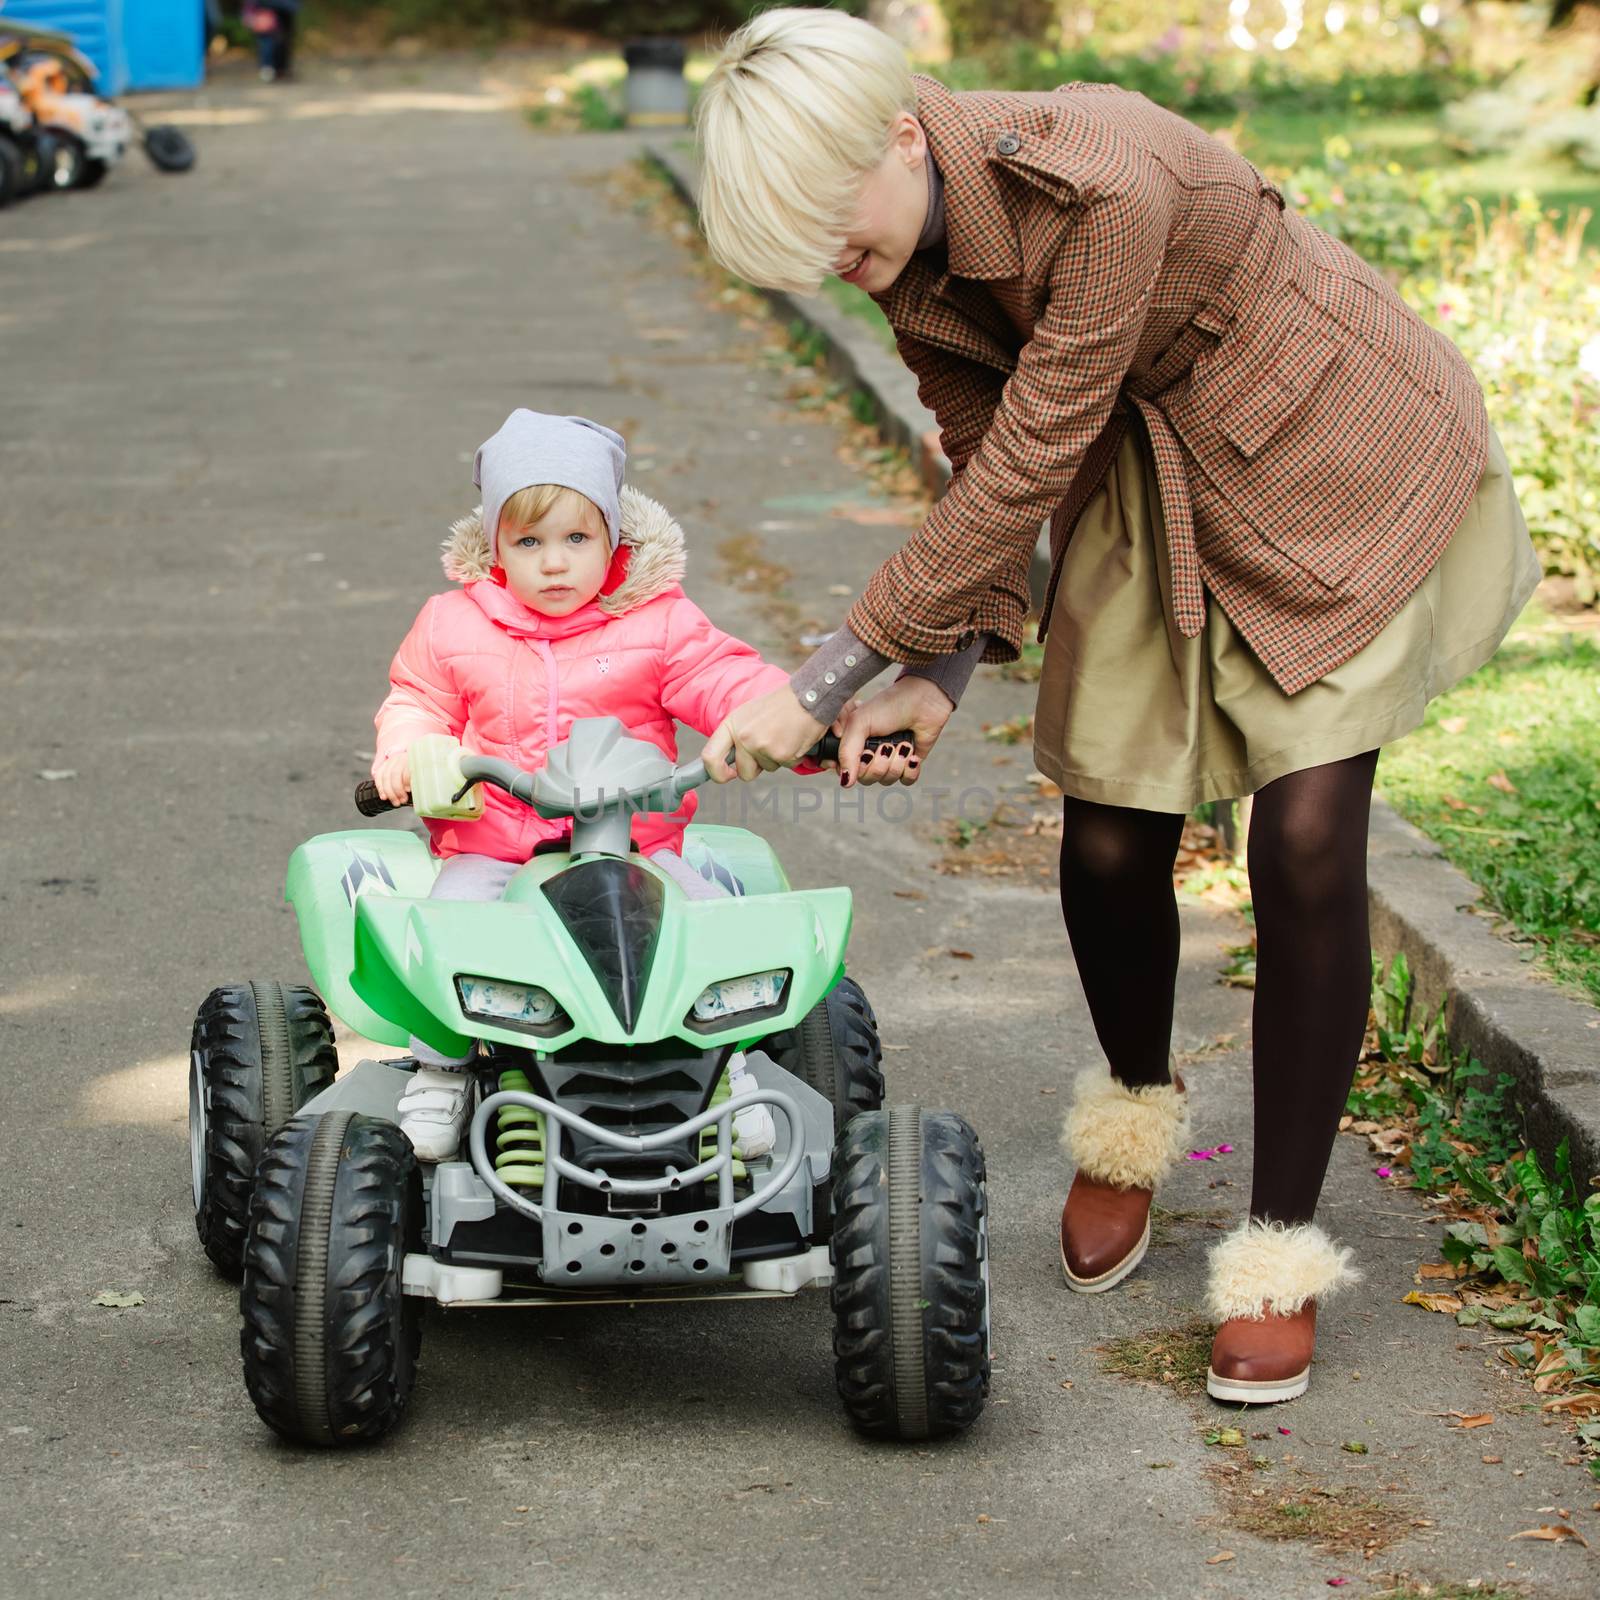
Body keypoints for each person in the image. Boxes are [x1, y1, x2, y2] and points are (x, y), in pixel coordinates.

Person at [693, 8, 1538, 1403]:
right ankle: (1135, 1116)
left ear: (902, 131)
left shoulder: (1096, 181)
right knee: (1107, 831)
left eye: (829, 231)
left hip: (1326, 436)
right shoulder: (906, 246)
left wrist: (824, 679)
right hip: (1149, 476)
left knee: (1310, 842)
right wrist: (940, 671)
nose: (832, 266)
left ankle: (1276, 1246)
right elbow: (987, 456)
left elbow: (1035, 450)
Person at [372, 409, 818, 1160]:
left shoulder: (658, 621)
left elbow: (726, 678)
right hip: (500, 845)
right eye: (530, 542)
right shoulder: (453, 624)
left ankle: (727, 1070)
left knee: (707, 923)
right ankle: (442, 1069)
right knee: (449, 927)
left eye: (577, 539)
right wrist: (414, 754)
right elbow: (417, 698)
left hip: (634, 845)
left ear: (613, 538)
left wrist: (798, 721)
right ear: (494, 547)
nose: (554, 564)